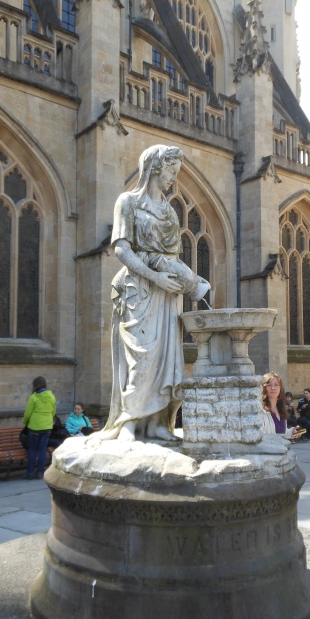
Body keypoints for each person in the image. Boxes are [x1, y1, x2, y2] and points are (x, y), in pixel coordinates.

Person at [98, 145, 210, 443]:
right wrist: (155, 277)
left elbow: (171, 256)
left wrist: (192, 280)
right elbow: (121, 248)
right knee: (141, 357)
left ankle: (158, 422)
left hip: (166, 296)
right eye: (171, 172)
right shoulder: (129, 202)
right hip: (139, 290)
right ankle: (129, 423)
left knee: (166, 359)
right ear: (155, 169)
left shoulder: (170, 212)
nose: (174, 179)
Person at [22, 376, 56, 479]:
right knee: (42, 450)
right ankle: (40, 472)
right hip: (47, 427)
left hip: (34, 427)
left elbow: (28, 413)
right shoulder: (51, 396)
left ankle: (30, 473)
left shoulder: (33, 397)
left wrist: (25, 422)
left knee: (32, 450)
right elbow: (53, 411)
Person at [260, 372, 304, 438]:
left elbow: (282, 432)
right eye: (269, 385)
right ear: (263, 388)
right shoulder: (260, 410)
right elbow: (260, 436)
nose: (273, 388)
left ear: (280, 388)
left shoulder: (280, 409)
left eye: (276, 385)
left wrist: (291, 432)